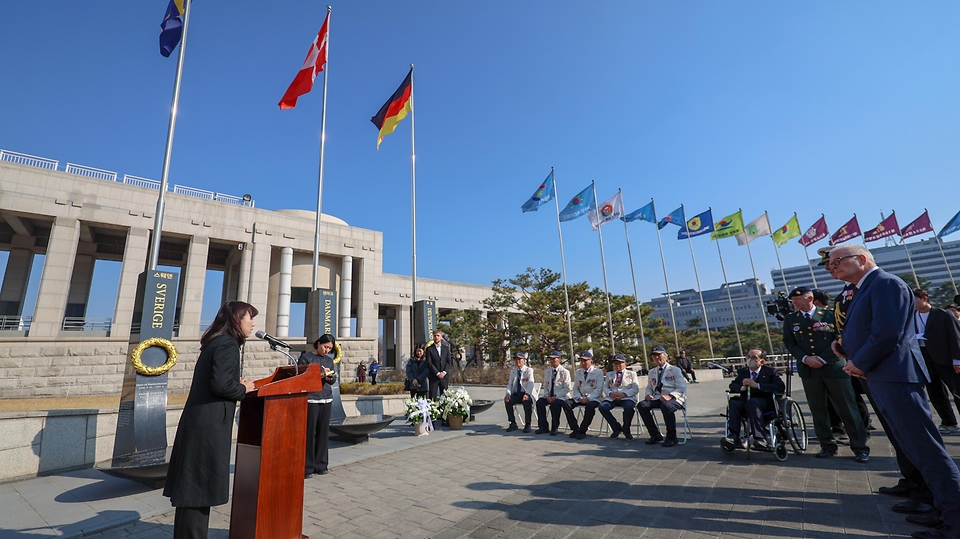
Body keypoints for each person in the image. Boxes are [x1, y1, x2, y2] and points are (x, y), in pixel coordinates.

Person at [830, 244, 960, 539]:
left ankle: (956, 520)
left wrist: (858, 363)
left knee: (928, 450)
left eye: (837, 260)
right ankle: (941, 510)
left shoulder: (886, 283)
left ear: (861, 260)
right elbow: (867, 330)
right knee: (915, 449)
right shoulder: (863, 289)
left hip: (896, 376)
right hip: (882, 376)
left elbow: (888, 332)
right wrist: (845, 346)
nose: (831, 267)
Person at [163, 301, 259, 539]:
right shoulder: (227, 344)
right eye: (250, 318)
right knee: (198, 488)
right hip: (208, 426)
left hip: (200, 422)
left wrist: (237, 385)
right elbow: (221, 385)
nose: (253, 323)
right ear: (238, 319)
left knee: (193, 487)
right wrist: (243, 388)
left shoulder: (216, 341)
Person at [782, 286, 869, 462]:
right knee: (818, 409)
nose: (795, 303)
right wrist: (806, 358)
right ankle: (827, 445)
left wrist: (823, 358)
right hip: (809, 370)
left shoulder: (830, 315)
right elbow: (790, 343)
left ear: (810, 298)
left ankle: (860, 447)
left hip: (833, 367)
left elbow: (840, 338)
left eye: (798, 299)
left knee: (847, 407)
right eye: (793, 300)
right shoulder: (791, 319)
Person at [913, 288, 960, 435]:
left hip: (945, 358)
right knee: (935, 393)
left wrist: (957, 359)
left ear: (925, 298)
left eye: (915, 300)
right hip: (925, 358)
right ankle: (948, 422)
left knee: (957, 391)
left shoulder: (944, 315)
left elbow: (955, 337)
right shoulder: (912, 316)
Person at [723, 348, 785, 450]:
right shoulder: (743, 372)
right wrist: (743, 387)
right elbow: (733, 385)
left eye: (754, 357)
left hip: (764, 402)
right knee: (734, 403)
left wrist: (758, 385)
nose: (750, 359)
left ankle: (760, 438)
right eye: (748, 357)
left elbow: (780, 387)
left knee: (752, 403)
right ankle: (734, 436)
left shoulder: (770, 372)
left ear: (762, 361)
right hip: (746, 400)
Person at [299, 334, 339, 478]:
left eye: (330, 348)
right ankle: (308, 467)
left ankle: (321, 465)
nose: (327, 350)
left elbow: (333, 380)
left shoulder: (329, 361)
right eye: (325, 346)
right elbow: (302, 377)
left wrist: (330, 377)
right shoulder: (306, 357)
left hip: (326, 399)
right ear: (319, 343)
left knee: (323, 433)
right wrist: (320, 374)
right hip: (311, 399)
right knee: (310, 433)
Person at [636, 346, 686, 447]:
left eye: (659, 355)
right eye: (654, 356)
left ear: (666, 357)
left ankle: (672, 437)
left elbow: (681, 387)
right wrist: (648, 394)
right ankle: (655, 434)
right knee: (642, 405)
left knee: (666, 406)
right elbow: (650, 387)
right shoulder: (652, 372)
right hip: (658, 397)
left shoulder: (675, 370)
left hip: (674, 398)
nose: (657, 358)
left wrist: (670, 395)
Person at [560, 351, 604, 439]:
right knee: (566, 403)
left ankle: (583, 430)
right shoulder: (578, 372)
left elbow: (599, 389)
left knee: (590, 407)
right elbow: (576, 387)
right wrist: (578, 397)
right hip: (580, 397)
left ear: (591, 362)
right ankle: (575, 428)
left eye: (585, 361)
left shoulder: (598, 372)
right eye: (581, 361)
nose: (583, 363)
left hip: (594, 398)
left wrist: (588, 398)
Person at [598, 354, 640, 440]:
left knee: (629, 408)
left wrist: (624, 394)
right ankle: (616, 428)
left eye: (620, 363)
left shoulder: (632, 374)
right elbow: (605, 387)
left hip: (627, 397)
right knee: (602, 407)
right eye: (616, 363)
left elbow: (635, 388)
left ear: (625, 364)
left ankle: (626, 429)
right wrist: (610, 393)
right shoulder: (609, 374)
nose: (618, 365)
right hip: (612, 397)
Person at [535, 350, 572, 435]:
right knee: (539, 402)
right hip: (549, 396)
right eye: (550, 359)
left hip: (561, 396)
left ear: (559, 360)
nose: (552, 361)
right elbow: (546, 386)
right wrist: (547, 395)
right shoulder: (547, 372)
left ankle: (555, 427)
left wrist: (556, 396)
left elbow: (567, 388)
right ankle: (543, 426)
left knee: (555, 404)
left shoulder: (565, 372)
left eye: (554, 359)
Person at [504, 352, 535, 433]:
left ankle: (528, 424)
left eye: (520, 359)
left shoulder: (528, 370)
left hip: (527, 393)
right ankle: (512, 423)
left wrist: (527, 394)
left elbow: (531, 383)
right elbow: (510, 384)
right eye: (516, 359)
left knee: (526, 401)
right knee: (508, 400)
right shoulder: (513, 372)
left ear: (524, 360)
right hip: (517, 394)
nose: (518, 361)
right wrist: (508, 394)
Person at [426, 329, 452, 400]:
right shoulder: (429, 349)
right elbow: (429, 363)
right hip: (434, 376)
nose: (436, 337)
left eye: (438, 336)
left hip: (444, 377)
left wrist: (444, 372)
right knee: (432, 397)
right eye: (435, 336)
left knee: (445, 398)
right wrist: (437, 373)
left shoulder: (446, 348)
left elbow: (449, 362)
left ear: (441, 337)